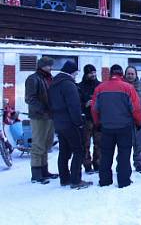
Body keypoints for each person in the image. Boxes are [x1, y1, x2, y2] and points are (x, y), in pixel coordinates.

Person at [91, 64, 141, 188]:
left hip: (107, 127)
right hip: (124, 127)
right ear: (122, 74)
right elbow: (136, 108)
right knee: (124, 154)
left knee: (106, 154)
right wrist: (138, 122)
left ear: (110, 74)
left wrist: (97, 123)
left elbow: (94, 109)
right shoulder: (128, 88)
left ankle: (105, 180)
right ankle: (124, 181)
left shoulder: (100, 88)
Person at [49, 61, 92, 190]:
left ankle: (64, 178)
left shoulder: (54, 83)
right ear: (71, 72)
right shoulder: (68, 84)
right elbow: (74, 106)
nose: (76, 76)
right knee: (78, 150)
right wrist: (79, 123)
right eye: (76, 73)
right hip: (70, 123)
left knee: (64, 151)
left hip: (58, 122)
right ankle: (76, 180)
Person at [25, 56, 58, 185]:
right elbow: (30, 98)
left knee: (47, 144)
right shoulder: (33, 79)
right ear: (41, 66)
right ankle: (36, 173)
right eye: (48, 65)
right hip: (39, 116)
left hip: (50, 116)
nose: (51, 67)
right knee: (38, 144)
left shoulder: (49, 78)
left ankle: (45, 170)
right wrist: (42, 109)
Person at [77, 64, 101, 174]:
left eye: (94, 72)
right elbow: (76, 103)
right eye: (91, 73)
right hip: (86, 118)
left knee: (99, 142)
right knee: (85, 143)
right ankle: (87, 165)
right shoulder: (80, 86)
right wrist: (84, 104)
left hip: (98, 118)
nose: (93, 75)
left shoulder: (100, 85)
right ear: (86, 74)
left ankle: (98, 163)